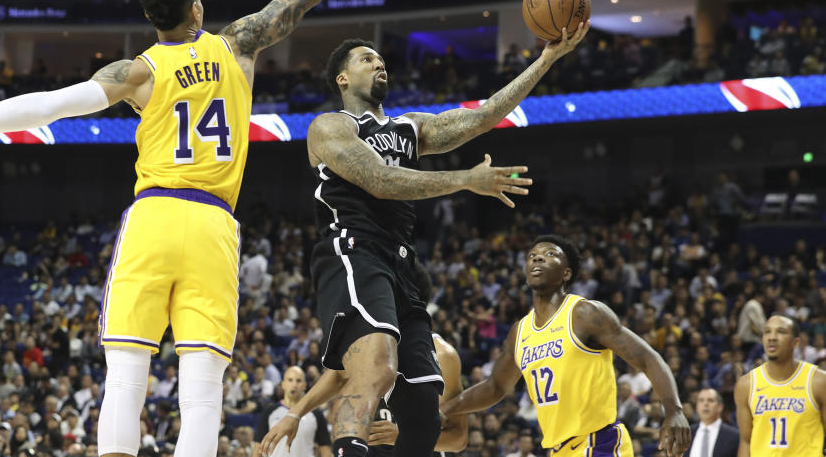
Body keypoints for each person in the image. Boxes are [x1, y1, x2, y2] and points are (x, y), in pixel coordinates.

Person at [0, 0, 427, 457]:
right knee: (203, 391)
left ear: (149, 16)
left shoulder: (137, 71)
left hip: (154, 217)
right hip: (213, 226)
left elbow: (50, 104)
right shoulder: (237, 44)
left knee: (125, 378)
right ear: (196, 9)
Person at [302, 23, 587, 457]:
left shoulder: (408, 128)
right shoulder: (331, 126)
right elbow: (379, 180)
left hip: (401, 263)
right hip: (354, 249)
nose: (379, 63)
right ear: (342, 78)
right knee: (375, 368)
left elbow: (485, 115)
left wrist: (547, 58)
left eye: (381, 59)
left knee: (422, 410)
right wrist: (465, 180)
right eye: (366, 59)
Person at [440, 236, 691, 457]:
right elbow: (495, 387)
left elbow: (648, 357)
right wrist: (444, 409)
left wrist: (674, 410)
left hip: (598, 444)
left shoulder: (584, 313)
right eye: (533, 256)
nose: (538, 259)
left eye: (549, 254)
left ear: (567, 273)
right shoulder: (521, 331)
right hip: (558, 450)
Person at [258, 261, 468, 456]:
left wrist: (406, 436)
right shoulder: (369, 341)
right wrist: (294, 414)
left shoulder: (443, 355)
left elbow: (458, 438)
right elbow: (337, 377)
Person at [733, 315, 826, 455]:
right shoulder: (746, 385)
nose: (772, 337)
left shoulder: (818, 381)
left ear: (795, 343)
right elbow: (746, 441)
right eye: (767, 332)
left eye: (781, 332)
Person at [252, 367, 331, 457]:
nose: (294, 385)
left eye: (298, 381)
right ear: (283, 384)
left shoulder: (316, 413)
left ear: (304, 385)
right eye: (290, 380)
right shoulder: (269, 412)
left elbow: (325, 449)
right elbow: (257, 448)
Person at [682, 388, 737, 457]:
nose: (705, 404)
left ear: (720, 407)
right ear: (697, 407)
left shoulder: (734, 436)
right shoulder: (687, 434)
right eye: (701, 400)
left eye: (710, 400)